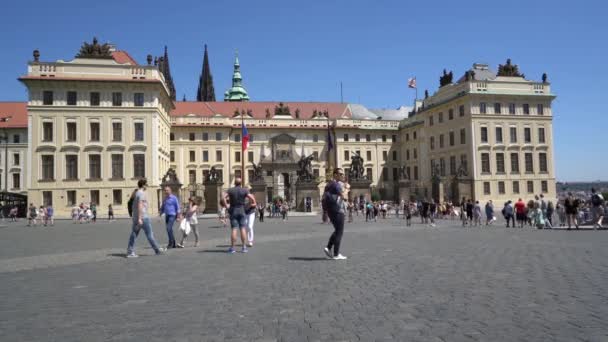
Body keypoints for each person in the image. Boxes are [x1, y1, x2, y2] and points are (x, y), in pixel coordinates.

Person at [126, 179, 165, 258]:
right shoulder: (141, 194)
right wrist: (140, 218)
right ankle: (157, 250)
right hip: (143, 217)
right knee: (150, 235)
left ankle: (130, 251)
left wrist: (137, 217)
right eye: (146, 184)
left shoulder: (136, 193)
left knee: (134, 234)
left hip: (136, 217)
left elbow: (132, 204)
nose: (147, 186)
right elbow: (140, 205)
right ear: (143, 185)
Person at [223, 177, 257, 253]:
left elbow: (223, 197)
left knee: (234, 229)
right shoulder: (244, 190)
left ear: (234, 183)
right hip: (242, 210)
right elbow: (252, 197)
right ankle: (244, 247)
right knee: (243, 228)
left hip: (233, 210)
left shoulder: (230, 190)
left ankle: (232, 248)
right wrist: (252, 203)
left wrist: (227, 206)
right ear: (241, 183)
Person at [322, 168, 348, 260]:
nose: (342, 176)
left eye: (343, 174)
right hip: (337, 210)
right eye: (340, 174)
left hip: (330, 210)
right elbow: (344, 197)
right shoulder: (336, 185)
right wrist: (347, 189)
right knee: (339, 232)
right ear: (335, 175)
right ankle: (336, 254)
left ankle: (328, 247)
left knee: (337, 230)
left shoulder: (328, 184)